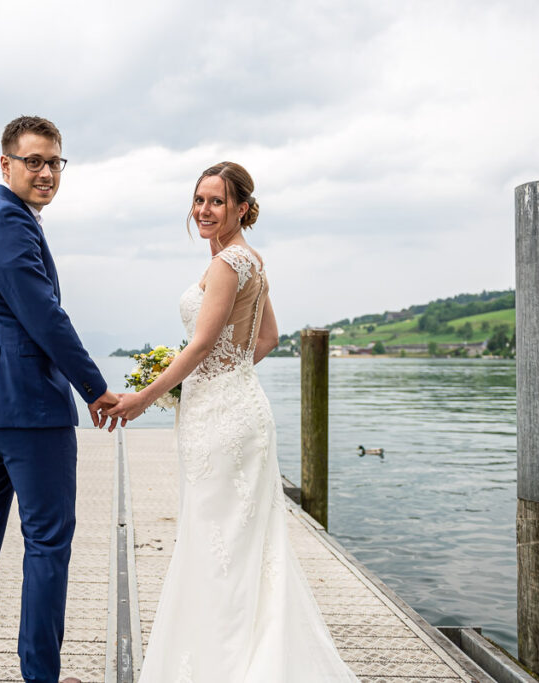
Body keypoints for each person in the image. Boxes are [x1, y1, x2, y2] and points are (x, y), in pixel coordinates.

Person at [106, 162, 360, 681]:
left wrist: (147, 396)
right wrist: (223, 377)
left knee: (217, 540)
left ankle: (221, 663)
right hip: (243, 408)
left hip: (220, 420)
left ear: (242, 207)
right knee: (242, 540)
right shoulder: (253, 261)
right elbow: (264, 340)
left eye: (216, 201)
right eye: (198, 200)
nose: (203, 210)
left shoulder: (227, 265)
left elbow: (201, 344)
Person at [0, 115, 120, 683]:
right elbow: (44, 317)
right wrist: (94, 387)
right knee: (46, 543)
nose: (45, 173)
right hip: (25, 407)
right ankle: (39, 675)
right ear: (6, 164)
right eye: (33, 161)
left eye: (54, 162)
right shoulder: (9, 223)